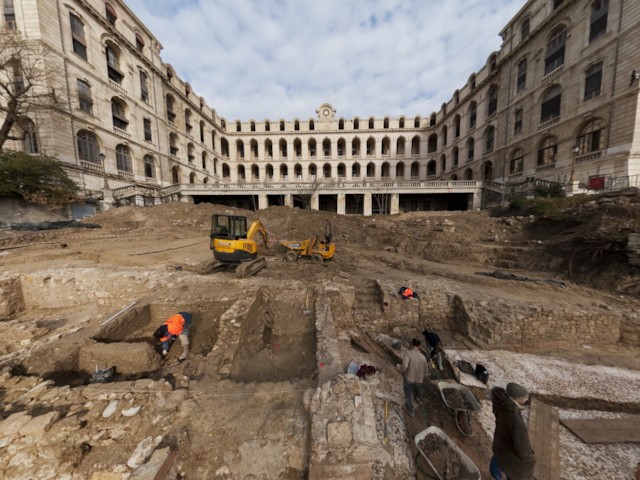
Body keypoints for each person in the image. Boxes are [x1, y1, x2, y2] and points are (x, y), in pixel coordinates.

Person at [490, 382, 536, 480]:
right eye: (525, 397)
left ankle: (496, 473)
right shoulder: (515, 418)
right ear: (517, 399)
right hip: (510, 457)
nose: (527, 399)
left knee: (497, 464)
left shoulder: (500, 404)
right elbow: (522, 445)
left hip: (500, 444)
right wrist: (531, 458)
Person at [397, 338, 428, 418]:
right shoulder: (423, 357)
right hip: (419, 379)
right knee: (417, 390)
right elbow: (426, 370)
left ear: (411, 344)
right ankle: (417, 399)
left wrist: (402, 371)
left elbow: (404, 365)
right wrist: (421, 376)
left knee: (408, 393)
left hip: (409, 378)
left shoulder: (408, 353)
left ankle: (410, 410)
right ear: (419, 346)